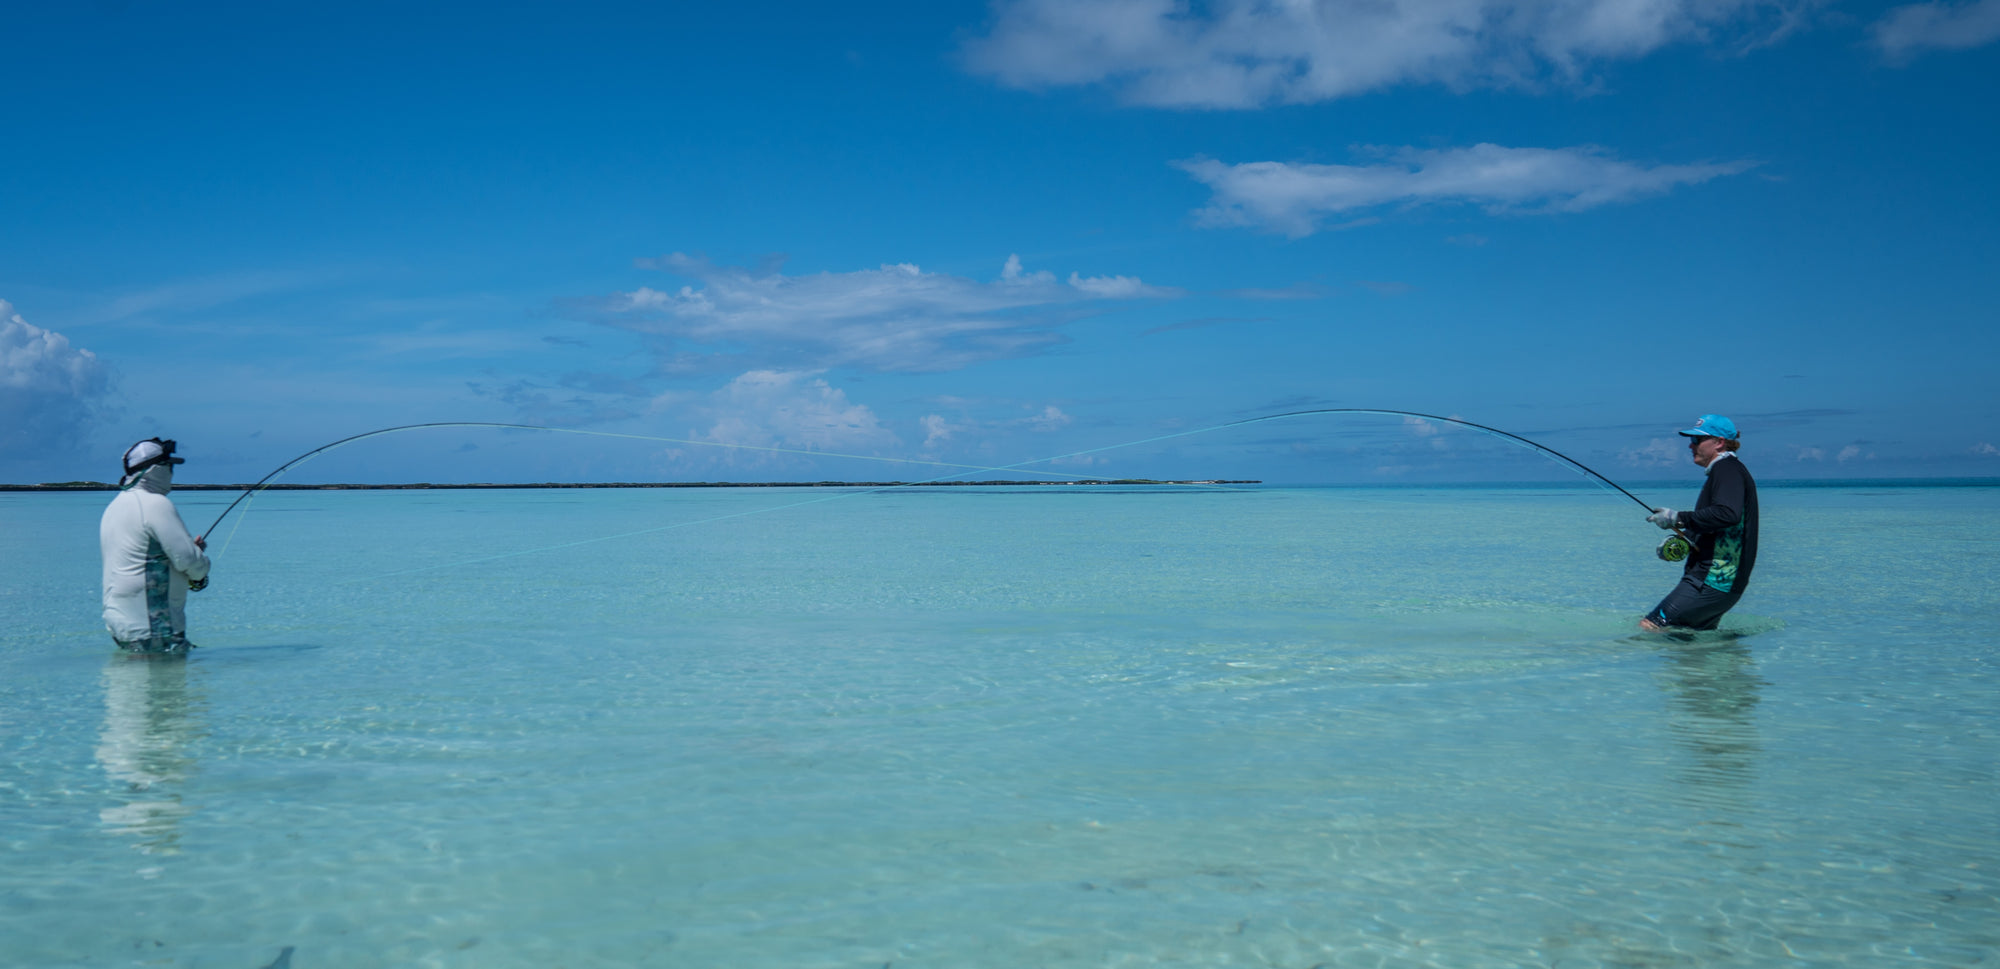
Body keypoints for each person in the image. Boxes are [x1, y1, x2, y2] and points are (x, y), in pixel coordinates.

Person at [1642, 415, 1758, 632]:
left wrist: (1677, 517)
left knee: (1650, 627)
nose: (1691, 445)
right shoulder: (1727, 470)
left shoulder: (1727, 469)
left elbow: (1727, 514)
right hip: (1722, 584)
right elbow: (1720, 523)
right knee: (1688, 646)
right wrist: (1684, 539)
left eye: (1697, 440)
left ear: (1719, 443)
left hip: (1712, 580)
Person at [101, 438, 211, 653]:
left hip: (121, 622)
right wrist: (200, 561)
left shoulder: (114, 507)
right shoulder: (155, 504)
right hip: (153, 624)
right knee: (168, 685)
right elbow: (188, 561)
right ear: (156, 469)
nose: (171, 473)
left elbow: (144, 554)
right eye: (169, 466)